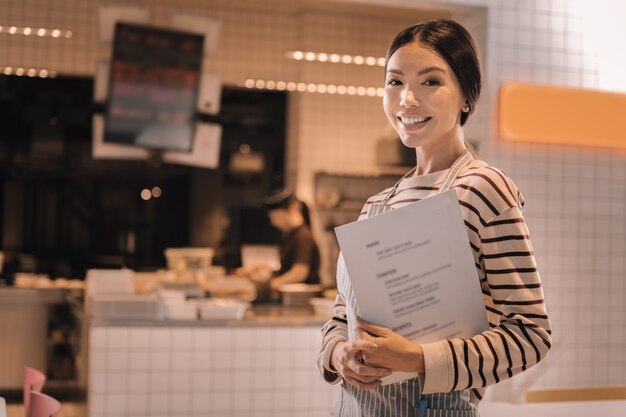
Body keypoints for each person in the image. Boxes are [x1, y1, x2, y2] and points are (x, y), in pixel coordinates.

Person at [317, 19, 551, 416]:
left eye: (430, 82)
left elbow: (530, 336)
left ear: (465, 96)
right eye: (395, 82)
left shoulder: (483, 189)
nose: (407, 99)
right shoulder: (376, 204)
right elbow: (342, 314)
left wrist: (418, 359)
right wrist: (338, 355)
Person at [244, 188, 321, 301]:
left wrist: (272, 284)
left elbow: (299, 272)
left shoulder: (302, 236)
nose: (273, 223)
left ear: (291, 210)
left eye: (274, 217)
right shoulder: (289, 236)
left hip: (301, 300)